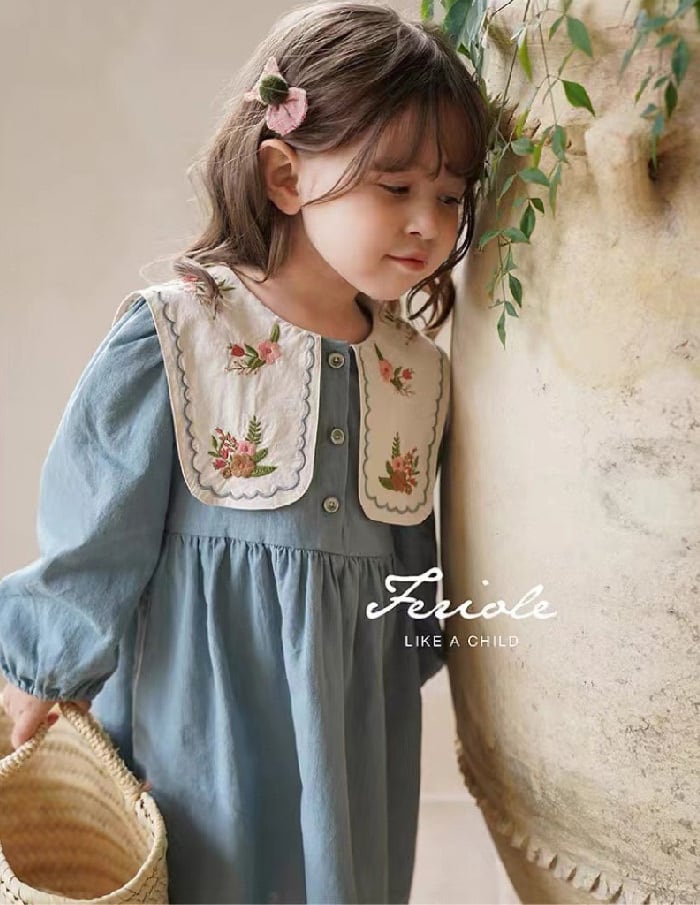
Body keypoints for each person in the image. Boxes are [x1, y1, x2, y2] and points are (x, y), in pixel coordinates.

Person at [0, 2, 489, 902]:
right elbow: (100, 523)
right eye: (395, 187)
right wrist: (46, 668)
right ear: (284, 174)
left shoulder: (416, 371)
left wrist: (419, 658)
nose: (429, 222)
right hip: (203, 714)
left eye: (451, 197)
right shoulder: (181, 333)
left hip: (350, 723)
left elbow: (413, 557)